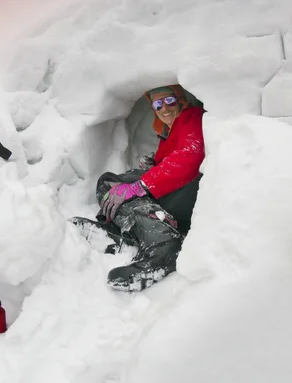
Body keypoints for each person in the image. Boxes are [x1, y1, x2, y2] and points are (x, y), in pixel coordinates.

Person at [72, 84, 205, 291]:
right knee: (109, 183)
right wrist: (155, 166)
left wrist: (141, 185)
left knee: (123, 189)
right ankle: (123, 233)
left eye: (169, 101)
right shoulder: (169, 131)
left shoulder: (192, 116)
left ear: (180, 100)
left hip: (189, 193)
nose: (164, 109)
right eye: (158, 105)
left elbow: (190, 155)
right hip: (176, 190)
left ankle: (163, 246)